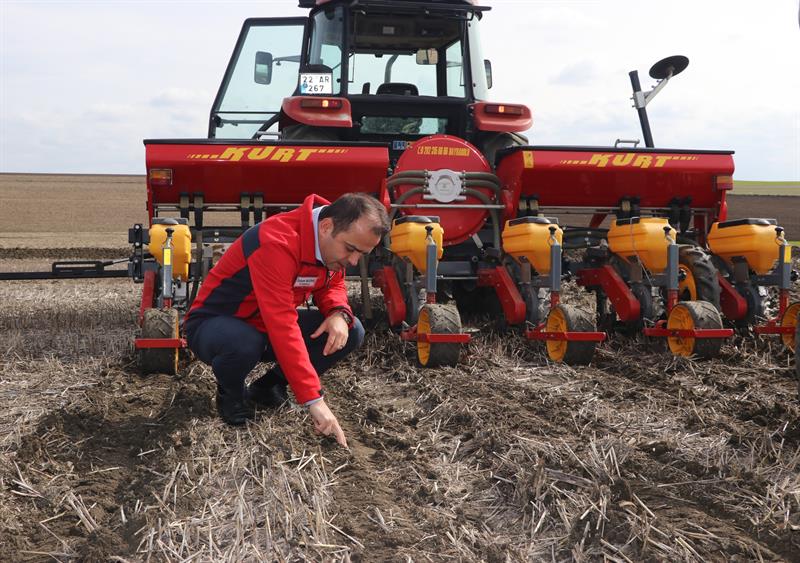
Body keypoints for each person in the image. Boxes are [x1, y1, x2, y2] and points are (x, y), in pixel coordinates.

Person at [185, 192, 390, 447]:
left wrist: (338, 312)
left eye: (362, 254)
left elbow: (331, 284)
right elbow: (282, 324)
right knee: (243, 341)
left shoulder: (329, 243)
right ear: (326, 226)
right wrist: (314, 400)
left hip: (264, 327)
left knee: (352, 329)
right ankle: (231, 394)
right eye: (350, 249)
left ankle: (268, 387)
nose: (353, 261)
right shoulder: (276, 242)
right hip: (215, 326)